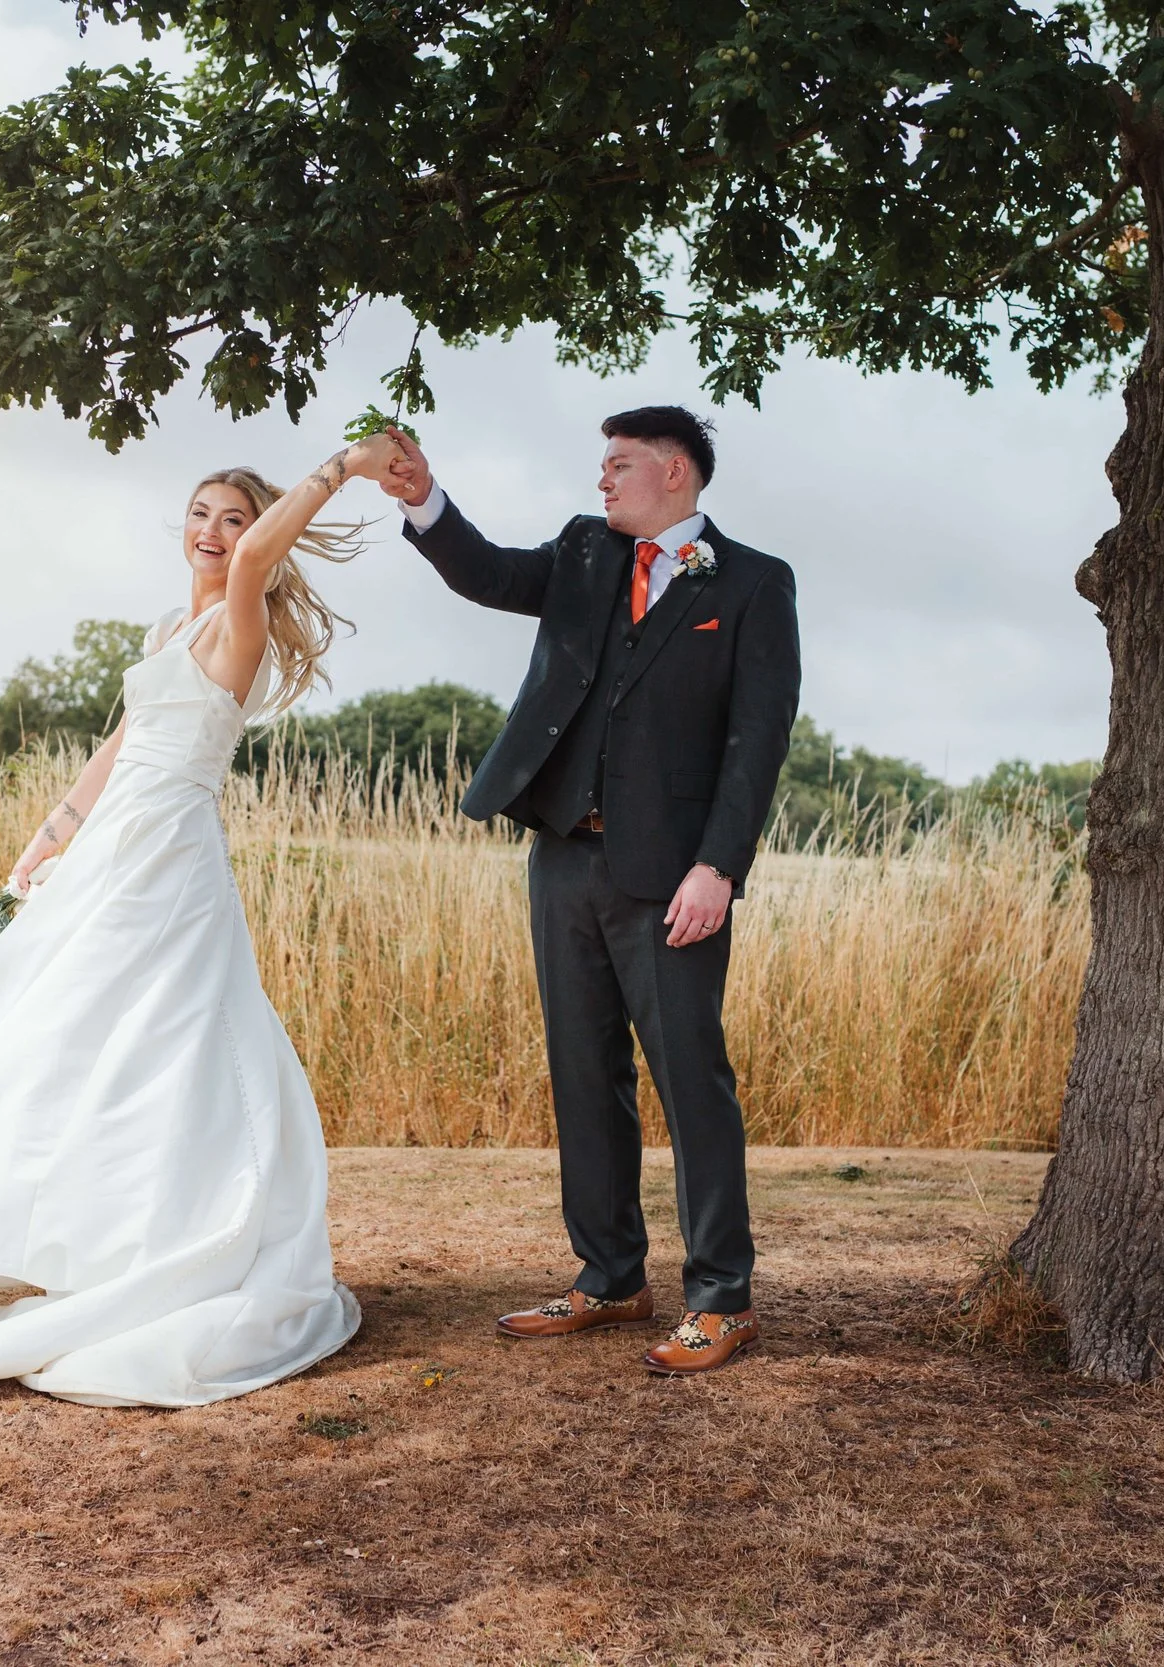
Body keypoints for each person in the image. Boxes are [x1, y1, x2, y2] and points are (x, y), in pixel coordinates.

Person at [0, 432, 407, 1405]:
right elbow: (114, 750)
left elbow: (251, 576)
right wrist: (44, 842)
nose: (213, 533)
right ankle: (106, 1233)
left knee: (174, 1033)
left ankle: (194, 1239)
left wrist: (349, 463)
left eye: (235, 518)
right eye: (200, 513)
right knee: (82, 1031)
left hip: (170, 852)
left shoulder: (239, 621)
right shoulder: (174, 629)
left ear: (261, 539)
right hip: (112, 846)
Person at [379, 407, 800, 1376]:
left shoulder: (751, 584)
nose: (601, 481)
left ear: (676, 475)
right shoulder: (581, 552)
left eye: (618, 466)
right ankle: (610, 1274)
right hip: (565, 854)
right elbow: (488, 574)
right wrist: (422, 499)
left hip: (673, 877)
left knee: (691, 1080)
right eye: (600, 467)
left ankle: (721, 1297)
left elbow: (756, 737)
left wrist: (718, 866)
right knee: (582, 1069)